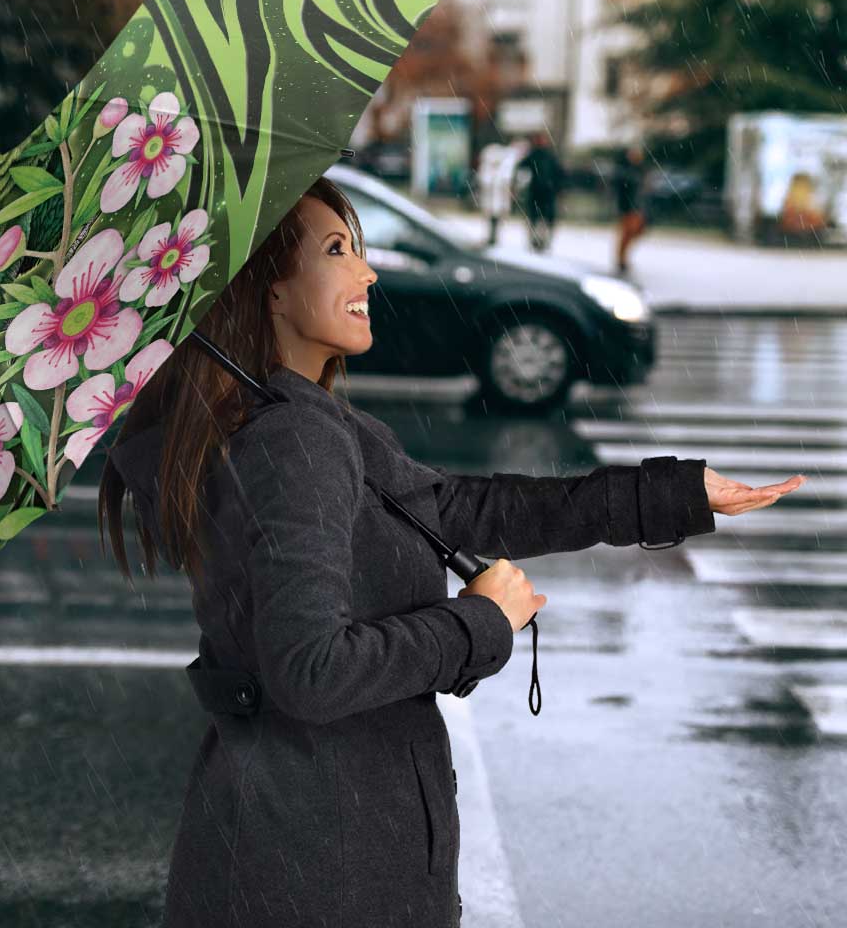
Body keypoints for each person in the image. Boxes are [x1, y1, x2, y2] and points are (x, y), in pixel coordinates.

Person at [99, 175, 791, 928]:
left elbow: (460, 509)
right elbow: (311, 672)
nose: (366, 271)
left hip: (297, 847)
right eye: (337, 250)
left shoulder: (292, 421)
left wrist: (672, 495)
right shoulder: (292, 441)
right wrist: (480, 623)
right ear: (267, 289)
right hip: (324, 866)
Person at [515, 130, 565, 253]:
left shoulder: (548, 156)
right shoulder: (535, 155)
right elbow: (521, 168)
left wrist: (558, 188)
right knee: (536, 218)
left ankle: (542, 241)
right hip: (538, 192)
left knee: (543, 219)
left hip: (546, 192)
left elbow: (559, 174)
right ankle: (536, 241)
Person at [613, 143, 649, 274]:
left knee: (635, 232)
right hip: (628, 207)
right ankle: (621, 259)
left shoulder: (640, 170)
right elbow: (622, 190)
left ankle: (622, 258)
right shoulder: (625, 171)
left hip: (637, 207)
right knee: (627, 233)